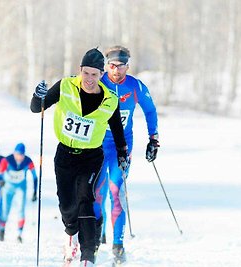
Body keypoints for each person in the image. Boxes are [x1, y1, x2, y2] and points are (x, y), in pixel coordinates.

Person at [30, 48, 129, 267]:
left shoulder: (110, 100)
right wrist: (38, 96)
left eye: (95, 74)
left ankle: (87, 256)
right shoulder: (65, 86)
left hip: (91, 157)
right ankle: (71, 235)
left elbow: (117, 130)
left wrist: (122, 153)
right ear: (80, 71)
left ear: (101, 75)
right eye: (86, 73)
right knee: (67, 206)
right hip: (65, 155)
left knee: (86, 199)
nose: (90, 79)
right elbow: (38, 108)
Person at [93, 45, 159, 264]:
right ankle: (96, 236)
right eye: (112, 66)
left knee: (116, 191)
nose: (116, 71)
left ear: (127, 66)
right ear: (106, 66)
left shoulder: (135, 86)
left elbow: (150, 110)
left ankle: (118, 245)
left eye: (121, 66)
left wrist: (153, 139)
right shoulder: (98, 82)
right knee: (97, 192)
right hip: (98, 145)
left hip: (122, 147)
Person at [0, 143, 38, 243]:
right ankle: (1, 229)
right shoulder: (7, 160)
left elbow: (35, 177)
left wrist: (35, 191)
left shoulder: (28, 161)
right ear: (14, 153)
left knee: (21, 210)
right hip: (8, 188)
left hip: (20, 189)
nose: (19, 157)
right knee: (5, 209)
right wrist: (1, 180)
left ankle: (19, 234)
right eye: (17, 154)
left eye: (21, 155)